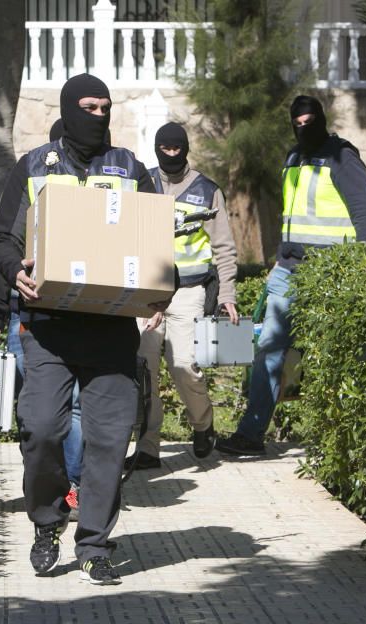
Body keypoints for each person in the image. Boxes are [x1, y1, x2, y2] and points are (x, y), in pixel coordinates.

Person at [0, 73, 160, 586]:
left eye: (106, 107)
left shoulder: (130, 168)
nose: (99, 116)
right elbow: (4, 235)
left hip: (111, 331)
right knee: (42, 430)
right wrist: (13, 271)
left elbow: (155, 241)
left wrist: (159, 290)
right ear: (68, 109)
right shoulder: (35, 166)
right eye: (89, 106)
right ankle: (47, 523)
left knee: (110, 443)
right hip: (48, 330)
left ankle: (94, 544)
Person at [216, 94, 366, 457]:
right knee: (269, 350)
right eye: (298, 123)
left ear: (321, 119)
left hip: (329, 273)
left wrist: (356, 267)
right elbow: (292, 216)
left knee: (331, 355)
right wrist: (279, 258)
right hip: (288, 270)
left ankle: (339, 445)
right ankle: (251, 434)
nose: (304, 128)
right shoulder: (293, 157)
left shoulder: (343, 157)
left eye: (310, 121)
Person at [0, 119, 84, 522]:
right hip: (26, 318)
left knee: (75, 407)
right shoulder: (32, 186)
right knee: (35, 412)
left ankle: (72, 487)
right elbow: (3, 258)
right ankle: (43, 481)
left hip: (79, 316)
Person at [126, 122, 239, 469]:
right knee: (143, 368)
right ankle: (148, 447)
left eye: (177, 149)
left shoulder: (207, 190)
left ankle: (203, 425)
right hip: (148, 290)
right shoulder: (144, 185)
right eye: (165, 149)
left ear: (185, 149)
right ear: (157, 149)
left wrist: (228, 295)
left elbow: (224, 248)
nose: (171, 155)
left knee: (183, 365)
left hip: (188, 291)